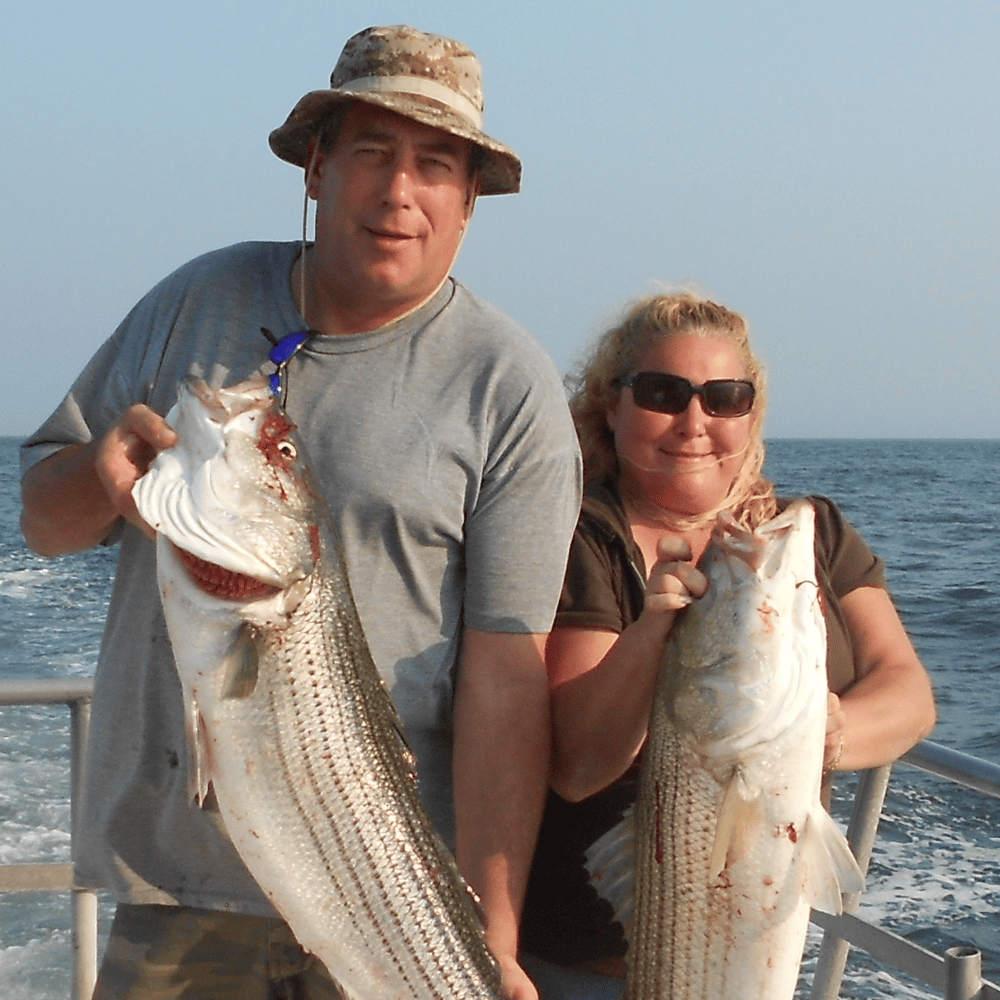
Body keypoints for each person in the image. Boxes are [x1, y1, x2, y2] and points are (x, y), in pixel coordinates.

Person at [20, 25, 581, 1000]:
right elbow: (42, 521)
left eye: (434, 163)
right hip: (179, 892)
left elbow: (503, 674)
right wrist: (97, 477)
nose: (398, 190)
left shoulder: (510, 385)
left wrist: (483, 938)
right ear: (316, 169)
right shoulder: (196, 297)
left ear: (468, 201)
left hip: (394, 898)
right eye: (370, 151)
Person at [517, 292, 936, 998]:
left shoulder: (806, 534)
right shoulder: (580, 535)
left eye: (724, 397)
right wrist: (653, 630)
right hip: (583, 971)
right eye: (662, 393)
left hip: (757, 945)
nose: (694, 422)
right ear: (609, 407)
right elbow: (579, 763)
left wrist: (822, 733)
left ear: (751, 412)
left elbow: (910, 694)